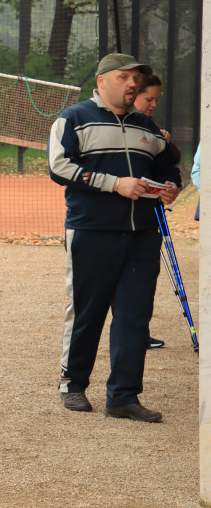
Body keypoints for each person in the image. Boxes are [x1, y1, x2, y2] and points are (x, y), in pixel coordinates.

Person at [48, 53, 181, 423]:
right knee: (87, 311)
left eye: (135, 78)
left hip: (143, 235)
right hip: (92, 230)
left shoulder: (149, 128)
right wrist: (113, 184)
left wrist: (172, 187)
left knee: (135, 315)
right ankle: (72, 384)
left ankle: (123, 396)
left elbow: (168, 167)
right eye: (124, 77)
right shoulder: (73, 118)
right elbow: (59, 166)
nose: (132, 84)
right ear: (103, 80)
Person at [132, 72, 177, 350]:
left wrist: (166, 143)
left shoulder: (153, 128)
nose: (153, 104)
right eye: (149, 99)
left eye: (156, 100)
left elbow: (171, 163)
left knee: (143, 279)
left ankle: (138, 331)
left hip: (148, 218)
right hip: (115, 220)